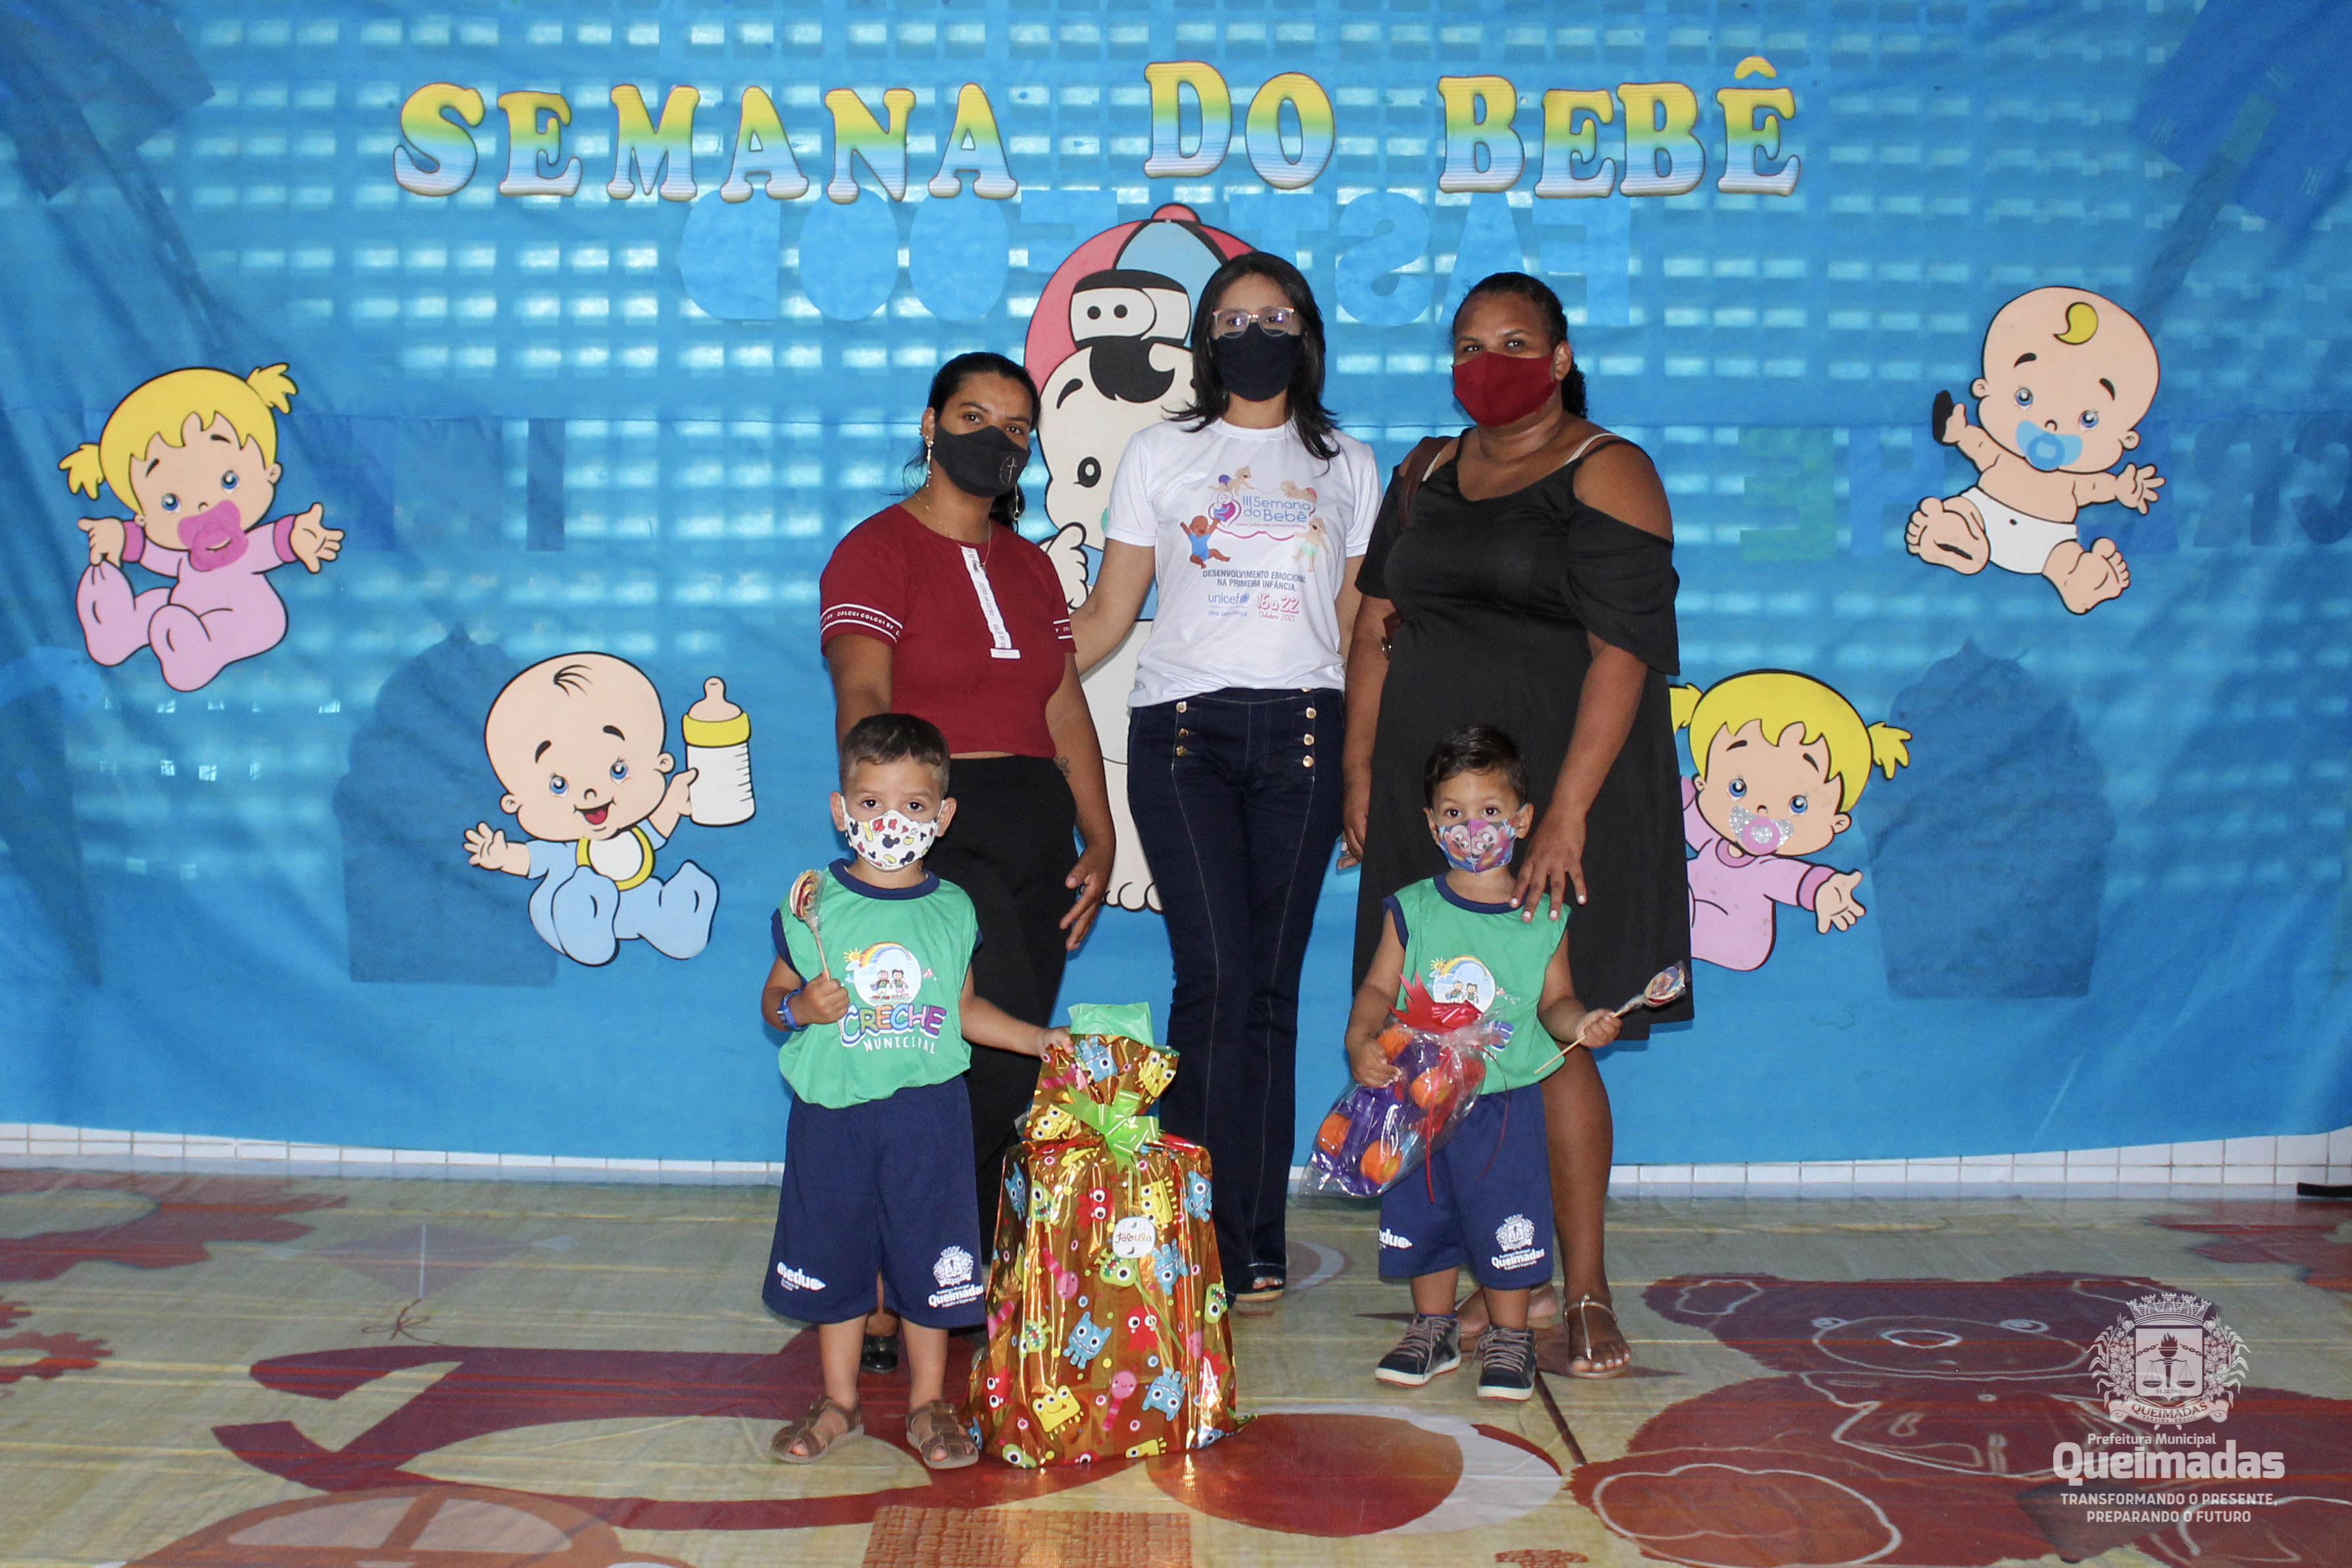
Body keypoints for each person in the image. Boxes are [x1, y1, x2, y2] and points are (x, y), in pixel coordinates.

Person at [1342, 272, 1689, 1378]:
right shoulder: (1422, 470)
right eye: (1464, 344)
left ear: (1559, 356)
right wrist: (1358, 765)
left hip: (1556, 800)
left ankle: (1580, 1288)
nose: (1483, 362)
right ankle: (1474, 1283)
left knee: (1548, 1037)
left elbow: (1623, 652)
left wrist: (1565, 814)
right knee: (1429, 1027)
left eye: (1511, 342)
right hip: (1431, 800)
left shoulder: (1608, 468)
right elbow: (1374, 621)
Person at [1071, 253, 1381, 1299]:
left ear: (1306, 334)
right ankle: (1187, 1232)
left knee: (1270, 991)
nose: (1254, 334)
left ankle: (1253, 1238)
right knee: (1213, 980)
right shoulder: (1160, 451)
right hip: (1181, 736)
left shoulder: (1349, 463)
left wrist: (1359, 765)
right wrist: (1003, 669)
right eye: (1234, 318)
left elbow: (1356, 629)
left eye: (1274, 316)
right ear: (1205, 339)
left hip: (1304, 734)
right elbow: (1108, 614)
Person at [820, 352, 1115, 1369]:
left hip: (1039, 830)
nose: (998, 437)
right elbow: (863, 695)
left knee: (997, 1070)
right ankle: (896, 1278)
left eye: (1017, 425)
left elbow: (1062, 706)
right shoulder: (875, 550)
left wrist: (1100, 831)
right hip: (942, 827)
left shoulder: (1031, 567)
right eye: (975, 415)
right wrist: (892, 829)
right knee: (984, 1056)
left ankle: (950, 1276)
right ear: (931, 423)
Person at [759, 713, 1067, 1469]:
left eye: (913, 804)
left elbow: (963, 1008)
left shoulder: (953, 908)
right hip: (832, 1119)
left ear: (943, 815)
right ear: (840, 809)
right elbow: (773, 1000)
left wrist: (1035, 1037)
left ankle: (930, 1402)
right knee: (835, 1257)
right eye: (870, 803)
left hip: (927, 1118)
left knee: (934, 1259)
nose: (890, 820)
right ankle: (839, 1402)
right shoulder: (813, 904)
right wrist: (801, 1008)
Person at [1346, 726, 1621, 1400]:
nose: (1472, 828)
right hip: (1420, 1102)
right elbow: (1379, 987)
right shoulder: (1412, 908)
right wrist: (1360, 1038)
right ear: (1430, 823)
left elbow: (1555, 1002)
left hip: (1504, 1105)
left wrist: (1581, 1023)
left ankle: (1510, 1335)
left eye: (1490, 811)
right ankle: (1432, 1327)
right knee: (1424, 1216)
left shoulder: (1541, 916)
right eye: (1454, 813)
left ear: (1523, 821)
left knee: (1507, 1217)